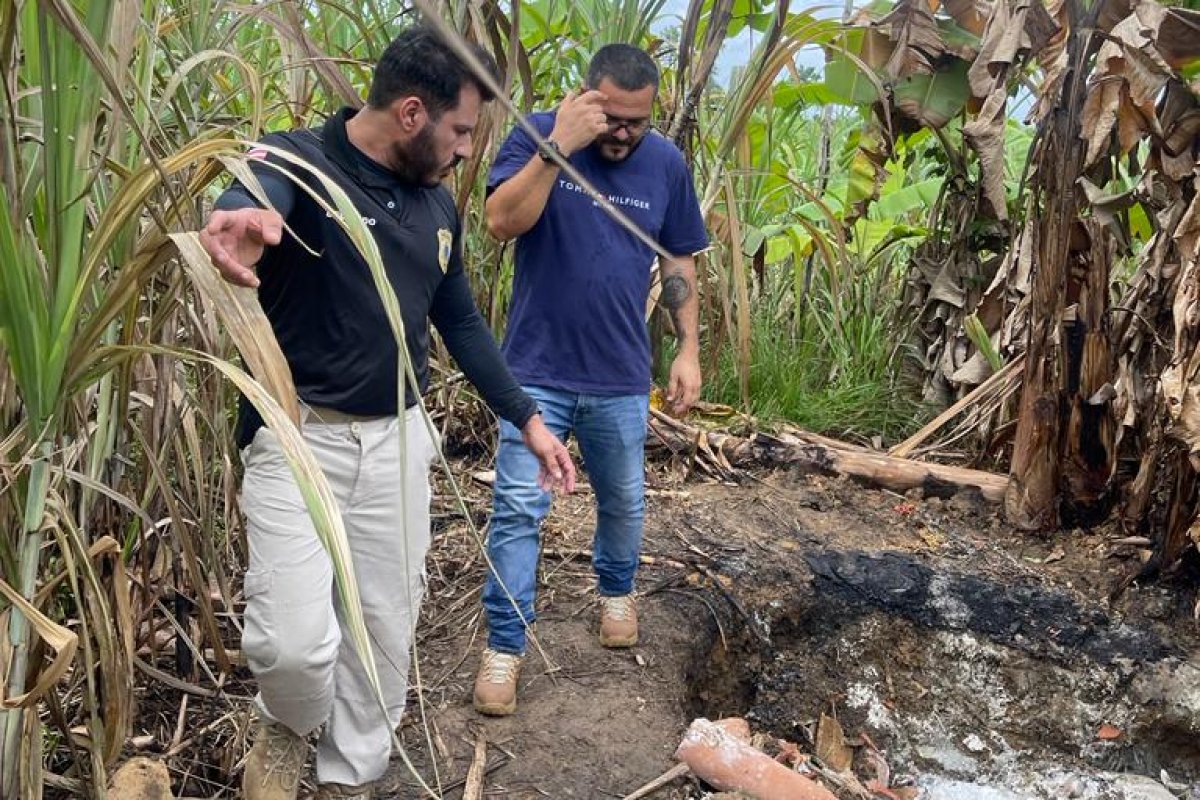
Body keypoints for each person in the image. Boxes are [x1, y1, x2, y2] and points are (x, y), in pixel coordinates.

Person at [199, 26, 575, 800]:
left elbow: (461, 322)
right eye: (462, 130)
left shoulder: (437, 207)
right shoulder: (300, 158)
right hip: (296, 440)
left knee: (382, 637)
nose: (467, 150)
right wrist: (241, 214)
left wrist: (529, 421)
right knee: (293, 647)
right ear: (412, 112)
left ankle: (350, 780)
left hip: (399, 443)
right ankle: (286, 721)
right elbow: (257, 189)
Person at [472, 44, 708, 716]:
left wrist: (687, 348)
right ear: (585, 98)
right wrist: (558, 147)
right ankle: (506, 648)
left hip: (620, 373)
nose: (625, 133)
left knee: (624, 498)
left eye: (638, 120)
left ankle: (615, 591)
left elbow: (679, 258)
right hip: (535, 372)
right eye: (611, 118)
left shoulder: (665, 163)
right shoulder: (539, 134)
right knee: (519, 509)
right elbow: (499, 223)